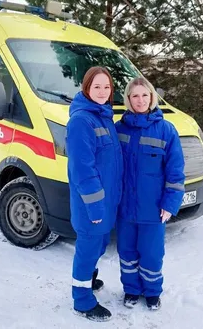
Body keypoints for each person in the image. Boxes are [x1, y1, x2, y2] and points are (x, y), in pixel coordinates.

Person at [115, 77, 185, 310]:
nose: (140, 100)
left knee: (152, 255)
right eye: (135, 95)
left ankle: (153, 292)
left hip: (153, 209)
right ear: (128, 99)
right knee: (127, 252)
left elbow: (175, 172)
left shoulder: (166, 130)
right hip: (125, 207)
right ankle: (132, 290)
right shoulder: (118, 128)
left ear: (152, 97)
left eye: (145, 95)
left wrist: (170, 203)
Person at [66, 66, 123, 322]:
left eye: (106, 87)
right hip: (92, 204)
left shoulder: (103, 116)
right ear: (86, 88)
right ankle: (82, 299)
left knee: (98, 245)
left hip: (106, 201)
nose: (102, 92)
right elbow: (82, 169)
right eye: (97, 86)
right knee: (88, 249)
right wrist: (96, 206)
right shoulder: (82, 120)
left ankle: (88, 278)